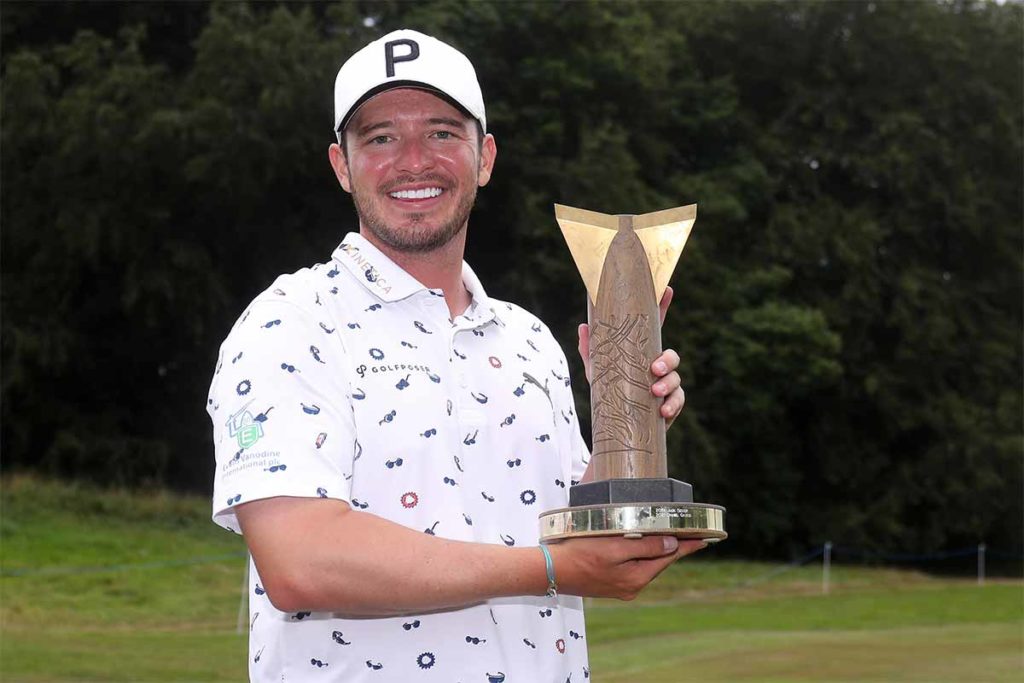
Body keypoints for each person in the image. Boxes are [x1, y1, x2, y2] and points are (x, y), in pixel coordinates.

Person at [207, 29, 705, 682]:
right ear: (341, 163)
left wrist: (628, 429)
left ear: (485, 155)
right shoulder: (289, 322)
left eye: (443, 132)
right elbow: (301, 560)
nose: (414, 160)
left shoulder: (529, 340)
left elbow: (573, 537)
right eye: (380, 137)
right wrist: (550, 569)